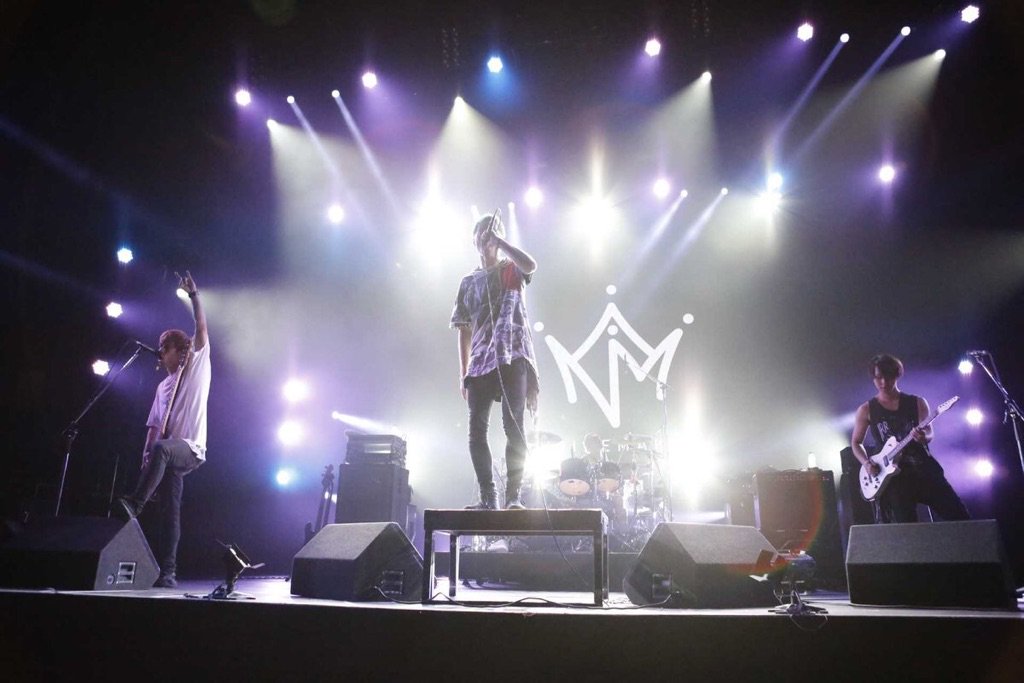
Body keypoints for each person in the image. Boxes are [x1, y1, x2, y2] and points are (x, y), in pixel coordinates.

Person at [116, 271, 211, 588]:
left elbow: (201, 329)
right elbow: (154, 427)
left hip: (190, 448)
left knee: (163, 450)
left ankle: (136, 504)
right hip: (167, 454)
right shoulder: (162, 387)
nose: (159, 352)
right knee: (171, 512)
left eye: (163, 347)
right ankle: (168, 573)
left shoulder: (196, 366)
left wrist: (194, 296)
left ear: (176, 349)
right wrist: (146, 456)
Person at [450, 213, 539, 510]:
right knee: (476, 430)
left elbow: (531, 265)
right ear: (473, 239)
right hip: (480, 360)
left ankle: (513, 496)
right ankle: (489, 498)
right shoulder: (468, 282)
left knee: (514, 425)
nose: (485, 238)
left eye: (491, 233)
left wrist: (500, 242)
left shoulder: (511, 269)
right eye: (481, 233)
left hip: (512, 353)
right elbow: (463, 330)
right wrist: (463, 372)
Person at [850, 353, 969, 524]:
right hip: (894, 480)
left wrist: (922, 437)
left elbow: (929, 433)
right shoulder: (866, 409)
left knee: (961, 519)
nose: (883, 382)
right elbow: (856, 442)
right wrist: (866, 463)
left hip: (924, 470)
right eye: (878, 378)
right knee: (907, 531)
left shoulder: (917, 402)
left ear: (896, 375)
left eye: (888, 377)